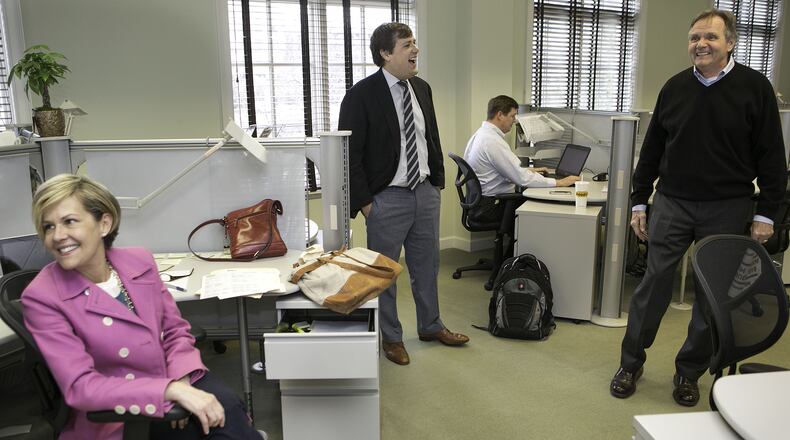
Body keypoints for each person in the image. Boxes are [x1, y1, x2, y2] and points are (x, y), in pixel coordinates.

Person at [610, 9, 786, 407]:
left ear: (730, 42)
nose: (700, 44)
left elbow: (772, 156)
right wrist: (640, 200)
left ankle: (688, 372)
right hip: (672, 202)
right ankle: (630, 362)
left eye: (710, 37)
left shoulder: (754, 88)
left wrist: (767, 213)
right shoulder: (674, 88)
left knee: (711, 297)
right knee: (652, 286)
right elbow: (652, 150)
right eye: (694, 38)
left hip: (727, 206)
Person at [21, 174, 264, 440]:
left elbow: (175, 331)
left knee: (229, 411)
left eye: (69, 221)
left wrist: (180, 377)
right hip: (122, 415)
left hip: (172, 382)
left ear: (104, 223)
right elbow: (81, 387)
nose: (57, 236)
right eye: (48, 227)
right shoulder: (42, 297)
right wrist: (167, 391)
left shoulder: (138, 261)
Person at [338, 22, 469, 366]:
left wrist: (437, 182)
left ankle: (430, 326)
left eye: (415, 43)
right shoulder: (361, 94)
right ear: (385, 52)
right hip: (386, 198)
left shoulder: (421, 88)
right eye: (408, 44)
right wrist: (367, 204)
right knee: (385, 273)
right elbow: (350, 154)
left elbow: (431, 138)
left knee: (427, 266)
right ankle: (392, 338)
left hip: (424, 192)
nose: (416, 50)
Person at [464, 95, 580, 223]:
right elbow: (521, 178)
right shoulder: (492, 141)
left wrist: (530, 170)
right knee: (541, 205)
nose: (514, 121)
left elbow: (505, 170)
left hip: (479, 203)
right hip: (491, 206)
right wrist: (559, 183)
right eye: (512, 116)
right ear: (500, 115)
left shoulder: (480, 134)